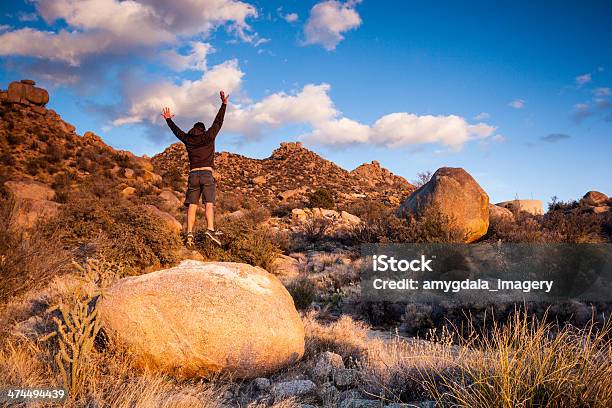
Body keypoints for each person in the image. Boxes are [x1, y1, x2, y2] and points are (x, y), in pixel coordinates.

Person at [161, 91, 229, 247]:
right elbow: (218, 122)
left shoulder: (188, 139)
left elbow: (176, 132)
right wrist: (224, 104)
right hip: (206, 173)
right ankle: (210, 230)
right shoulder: (208, 136)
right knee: (209, 203)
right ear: (203, 129)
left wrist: (168, 119)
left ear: (193, 129)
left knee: (192, 205)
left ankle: (189, 233)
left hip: (193, 175)